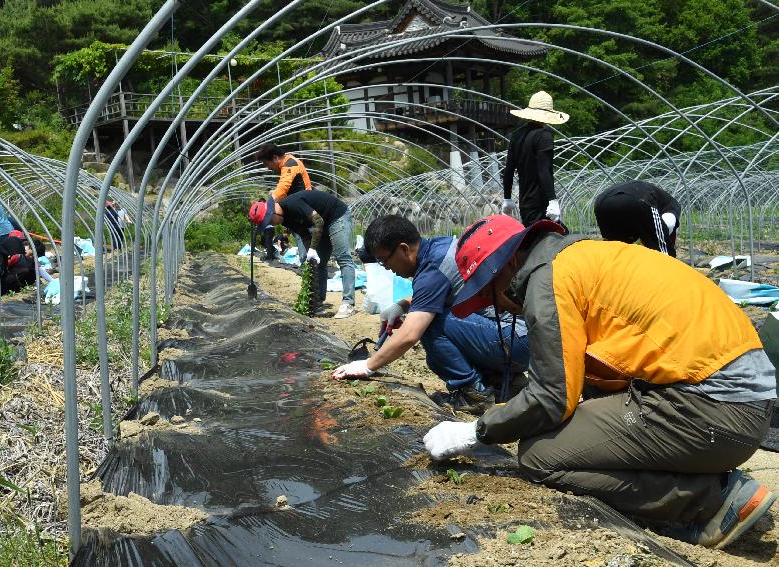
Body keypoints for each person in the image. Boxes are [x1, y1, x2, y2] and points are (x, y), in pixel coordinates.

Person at [423, 214, 777, 550]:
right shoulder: (582, 257)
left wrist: (476, 431)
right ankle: (703, 481)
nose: (498, 306)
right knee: (577, 425)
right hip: (740, 402)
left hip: (714, 410)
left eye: (489, 294)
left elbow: (552, 397)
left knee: (540, 455)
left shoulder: (547, 281)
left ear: (509, 266)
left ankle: (710, 502)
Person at [331, 215, 530, 412]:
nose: (388, 269)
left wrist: (368, 365)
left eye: (384, 261)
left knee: (431, 324)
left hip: (515, 340)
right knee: (433, 326)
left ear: (403, 249)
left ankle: (474, 394)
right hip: (522, 337)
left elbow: (410, 335)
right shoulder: (438, 247)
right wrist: (402, 305)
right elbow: (438, 290)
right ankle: (505, 383)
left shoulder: (431, 270)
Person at [249, 191, 356, 319]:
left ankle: (348, 303)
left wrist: (312, 249)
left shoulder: (293, 204)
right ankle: (317, 304)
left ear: (273, 212)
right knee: (318, 262)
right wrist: (310, 251)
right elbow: (304, 234)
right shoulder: (285, 219)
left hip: (336, 216)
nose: (273, 224)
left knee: (343, 258)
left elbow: (318, 221)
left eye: (270, 220)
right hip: (322, 223)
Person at [501, 91, 568, 227]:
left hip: (525, 203)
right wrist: (552, 200)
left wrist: (507, 197)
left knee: (530, 239)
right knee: (554, 240)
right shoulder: (544, 136)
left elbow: (508, 170)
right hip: (541, 203)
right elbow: (544, 171)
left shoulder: (517, 135)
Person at [594, 180, 681, 257]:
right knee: (662, 252)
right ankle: (666, 272)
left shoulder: (659, 197)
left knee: (614, 249)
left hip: (600, 202)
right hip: (637, 200)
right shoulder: (672, 206)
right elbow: (667, 227)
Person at [255, 143, 312, 261]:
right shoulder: (287, 164)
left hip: (307, 211)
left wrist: (268, 205)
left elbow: (283, 188)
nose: (268, 168)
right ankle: (308, 267)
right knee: (303, 240)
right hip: (301, 212)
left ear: (275, 158)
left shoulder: (290, 164)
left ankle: (309, 267)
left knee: (305, 245)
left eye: (267, 164)